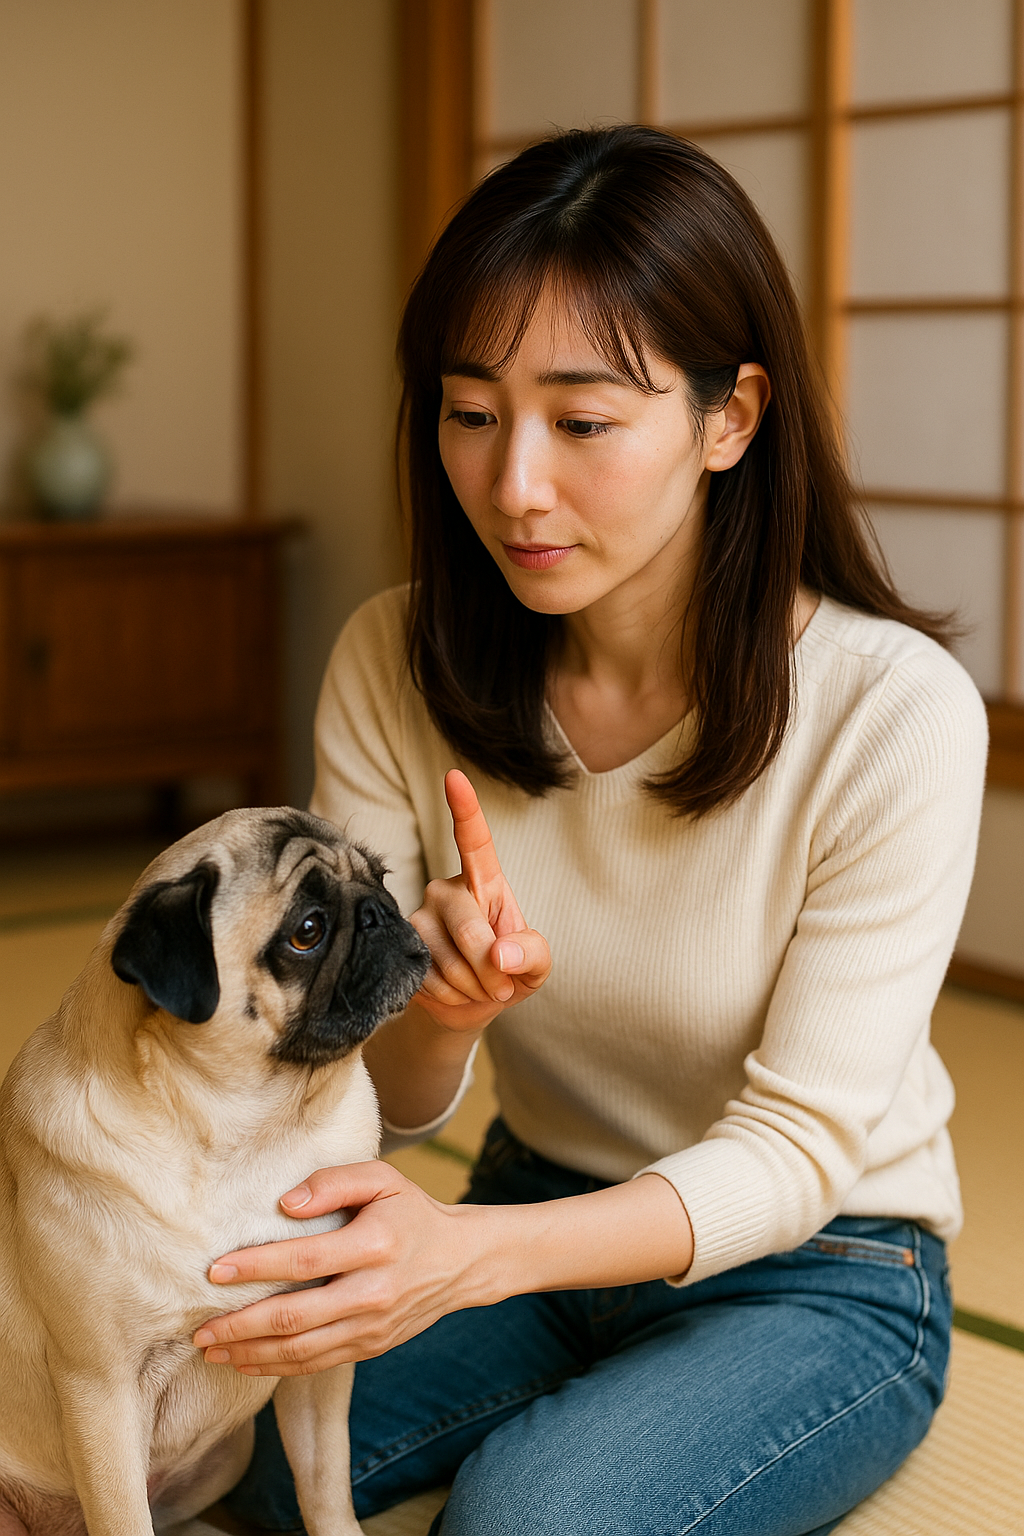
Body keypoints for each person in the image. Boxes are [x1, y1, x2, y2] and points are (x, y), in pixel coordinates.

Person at [200, 127, 987, 1535]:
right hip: (525, 1203)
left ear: (729, 418)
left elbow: (802, 1150)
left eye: (583, 420)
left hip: (826, 1266)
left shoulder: (891, 714)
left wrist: (474, 1257)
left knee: (527, 1521)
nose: (514, 487)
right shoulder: (396, 656)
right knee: (203, 1452)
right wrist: (437, 1015)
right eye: (471, 411)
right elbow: (359, 1095)